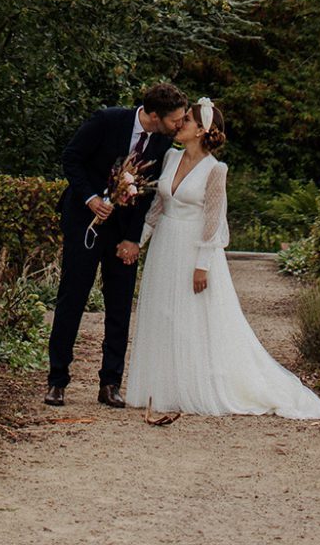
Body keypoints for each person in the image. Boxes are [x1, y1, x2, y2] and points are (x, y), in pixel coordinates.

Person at [123, 97, 320, 419]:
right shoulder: (170, 157)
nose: (179, 124)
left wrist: (203, 265)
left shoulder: (215, 170)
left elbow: (213, 220)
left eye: (187, 121)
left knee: (193, 319)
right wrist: (137, 243)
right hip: (165, 246)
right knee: (163, 313)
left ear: (201, 130)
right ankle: (164, 386)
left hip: (192, 248)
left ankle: (194, 386)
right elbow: (157, 209)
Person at [45, 81, 190, 407]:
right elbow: (71, 158)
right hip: (85, 222)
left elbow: (148, 194)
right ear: (154, 114)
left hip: (123, 234)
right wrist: (91, 198)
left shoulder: (163, 145)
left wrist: (133, 239)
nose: (179, 125)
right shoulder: (107, 120)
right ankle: (57, 381)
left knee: (121, 305)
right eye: (175, 120)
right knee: (72, 298)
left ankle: (110, 383)